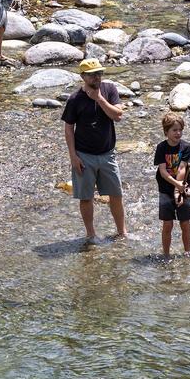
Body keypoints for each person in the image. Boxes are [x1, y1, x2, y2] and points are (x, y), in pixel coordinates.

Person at [62, 57, 127, 243]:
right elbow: (68, 128)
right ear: (83, 76)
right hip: (84, 155)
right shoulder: (75, 99)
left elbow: (118, 115)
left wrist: (99, 98)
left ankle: (122, 232)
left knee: (116, 194)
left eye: (99, 73)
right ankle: (91, 234)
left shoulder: (109, 90)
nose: (97, 78)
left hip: (107, 154)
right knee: (86, 197)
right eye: (92, 75)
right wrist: (73, 156)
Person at [153, 112, 190, 257]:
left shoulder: (186, 147)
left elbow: (183, 168)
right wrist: (176, 184)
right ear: (166, 132)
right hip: (165, 190)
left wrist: (179, 189)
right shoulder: (161, 148)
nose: (178, 133)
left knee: (185, 223)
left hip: (183, 188)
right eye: (174, 130)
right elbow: (163, 171)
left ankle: (187, 252)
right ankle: (166, 254)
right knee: (167, 224)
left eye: (180, 130)